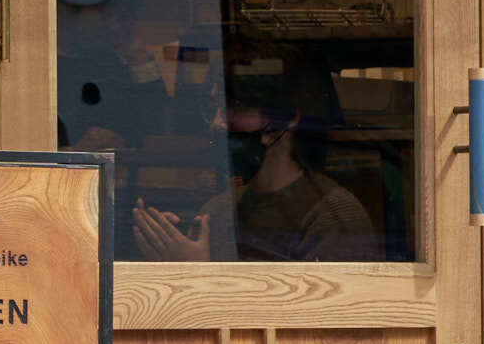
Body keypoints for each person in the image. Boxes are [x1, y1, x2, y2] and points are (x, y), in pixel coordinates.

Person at [130, 53, 383, 262]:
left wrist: (198, 272)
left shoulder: (333, 217)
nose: (218, 122)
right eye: (213, 109)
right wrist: (172, 247)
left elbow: (317, 319)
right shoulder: (218, 212)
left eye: (235, 108)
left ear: (285, 119)